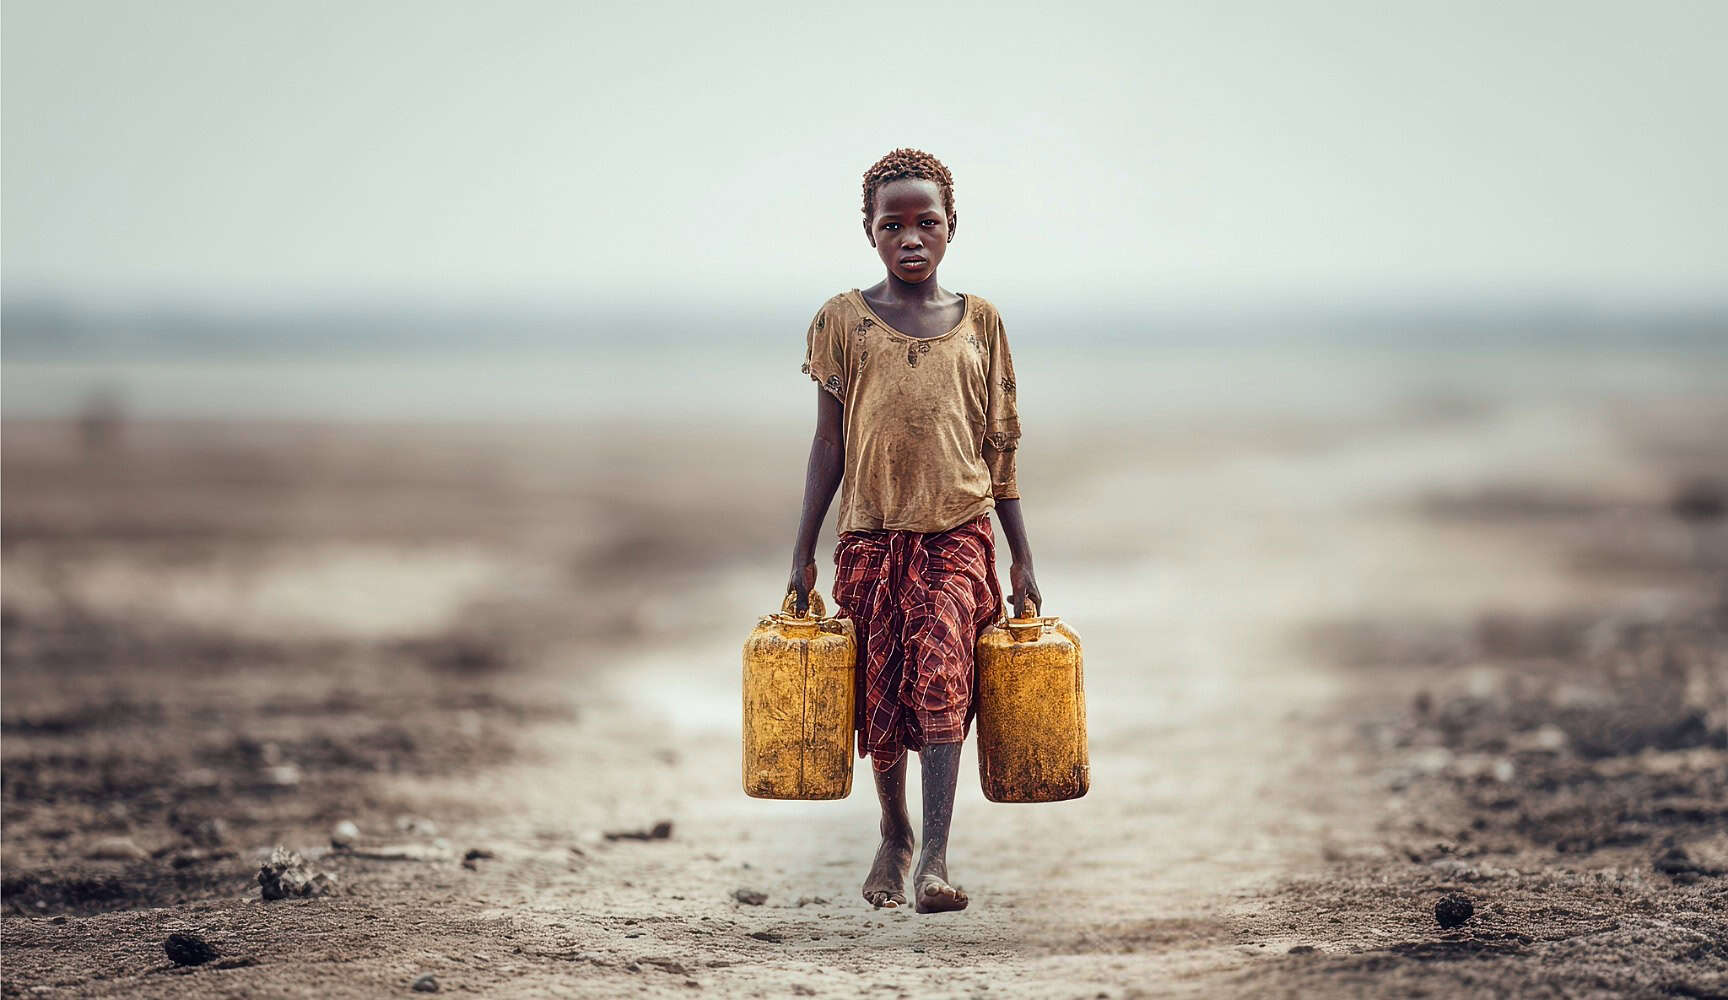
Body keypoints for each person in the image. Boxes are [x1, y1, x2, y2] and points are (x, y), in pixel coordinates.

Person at [787, 148, 1042, 914]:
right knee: (882, 697)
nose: (910, 237)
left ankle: (934, 857)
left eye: (925, 222)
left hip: (957, 535)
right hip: (868, 537)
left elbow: (1000, 446)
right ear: (868, 232)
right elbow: (828, 442)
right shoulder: (842, 321)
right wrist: (801, 551)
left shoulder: (983, 323)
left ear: (950, 228)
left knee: (942, 681)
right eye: (891, 223)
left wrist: (1023, 554)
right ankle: (894, 832)